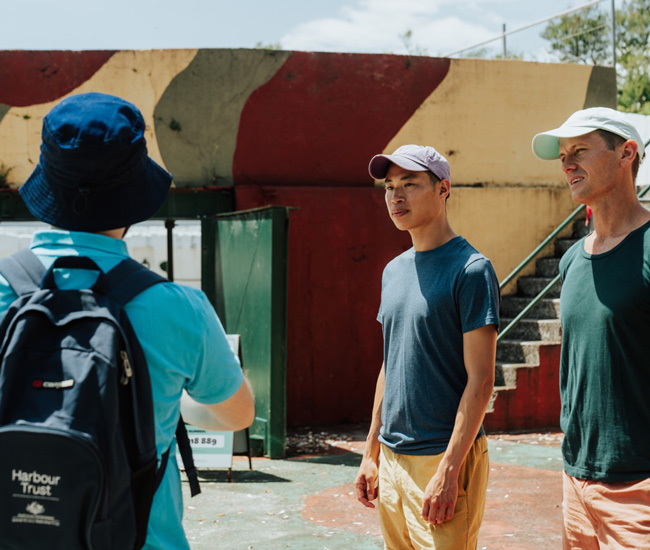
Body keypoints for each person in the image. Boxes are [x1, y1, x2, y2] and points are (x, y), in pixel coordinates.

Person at [0, 92, 255, 550]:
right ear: (134, 191)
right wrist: (167, 405)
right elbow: (237, 414)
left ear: (49, 183)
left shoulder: (3, 289)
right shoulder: (179, 307)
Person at [354, 144, 499, 549]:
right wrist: (371, 451)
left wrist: (450, 470)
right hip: (393, 457)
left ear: (443, 189)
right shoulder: (393, 271)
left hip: (442, 457)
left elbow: (482, 380)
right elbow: (391, 364)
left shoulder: (470, 270)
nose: (396, 196)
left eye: (411, 184)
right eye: (389, 186)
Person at [532, 107, 650, 549]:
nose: (566, 164)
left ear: (626, 153)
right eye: (562, 155)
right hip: (576, 481)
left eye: (579, 150)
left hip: (639, 488)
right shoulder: (571, 260)